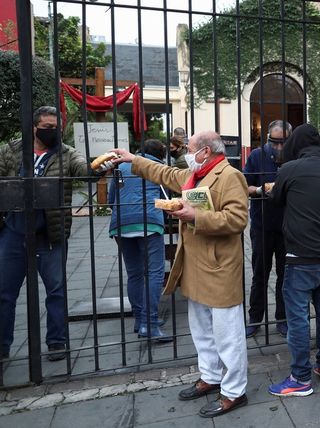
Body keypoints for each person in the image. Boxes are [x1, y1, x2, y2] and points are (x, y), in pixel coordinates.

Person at [110, 131, 249, 418]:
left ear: (206, 151)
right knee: (200, 329)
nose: (186, 151)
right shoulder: (194, 174)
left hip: (220, 266)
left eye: (190, 148)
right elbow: (164, 172)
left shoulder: (229, 175)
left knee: (227, 334)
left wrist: (196, 216)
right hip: (195, 264)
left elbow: (238, 219)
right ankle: (210, 376)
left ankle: (234, 391)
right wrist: (134, 159)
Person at [0, 106, 105, 362]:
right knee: (4, 293)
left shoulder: (67, 154)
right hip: (13, 230)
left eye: (56, 127)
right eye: (47, 127)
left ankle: (57, 342)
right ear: (34, 127)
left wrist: (98, 168)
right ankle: (2, 347)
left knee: (56, 290)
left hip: (50, 232)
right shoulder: (11, 151)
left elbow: (84, 169)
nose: (53, 132)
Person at [267, 123, 320, 397]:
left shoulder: (290, 170)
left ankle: (300, 378)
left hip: (300, 258)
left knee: (298, 319)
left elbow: (276, 199)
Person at [108, 139, 172, 343]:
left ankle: (139, 319)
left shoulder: (121, 167)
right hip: (149, 223)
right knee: (154, 272)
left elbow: (111, 199)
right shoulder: (157, 168)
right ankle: (150, 324)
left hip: (121, 224)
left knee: (134, 273)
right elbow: (166, 200)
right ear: (160, 155)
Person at [243, 120, 291, 338]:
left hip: (288, 226)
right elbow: (243, 185)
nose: (279, 148)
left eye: (283, 143)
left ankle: (283, 318)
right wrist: (259, 189)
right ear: (268, 139)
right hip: (262, 224)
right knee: (260, 273)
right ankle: (255, 318)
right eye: (275, 142)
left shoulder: (294, 156)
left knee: (286, 274)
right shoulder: (256, 156)